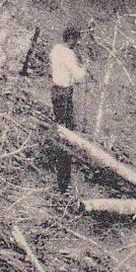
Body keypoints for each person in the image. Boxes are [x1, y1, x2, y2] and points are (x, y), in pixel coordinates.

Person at [49, 27, 89, 192]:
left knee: (62, 127)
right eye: (75, 40)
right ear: (71, 39)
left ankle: (63, 174)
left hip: (56, 91)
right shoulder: (67, 53)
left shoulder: (55, 49)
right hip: (64, 92)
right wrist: (85, 68)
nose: (76, 43)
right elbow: (78, 75)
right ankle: (63, 180)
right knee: (66, 132)